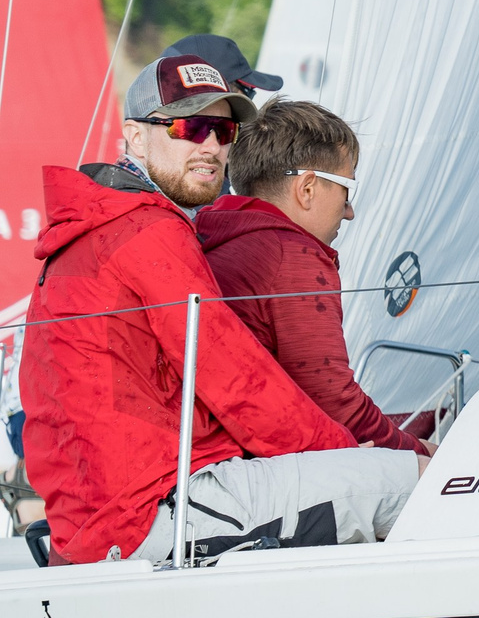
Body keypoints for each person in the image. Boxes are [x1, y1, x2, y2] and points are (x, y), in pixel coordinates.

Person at [18, 56, 423, 564]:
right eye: (188, 128)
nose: (210, 146)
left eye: (224, 131)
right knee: (424, 484)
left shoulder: (90, 231)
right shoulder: (149, 233)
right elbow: (239, 383)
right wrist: (344, 453)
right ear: (136, 138)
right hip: (154, 511)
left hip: (95, 520)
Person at [196, 99, 432, 456]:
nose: (349, 212)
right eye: (346, 190)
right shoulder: (290, 254)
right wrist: (419, 451)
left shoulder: (211, 235)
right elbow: (336, 404)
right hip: (252, 462)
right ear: (307, 188)